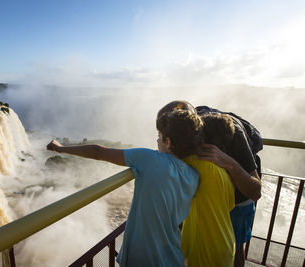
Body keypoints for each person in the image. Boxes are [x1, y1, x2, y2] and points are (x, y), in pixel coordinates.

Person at [47, 109, 204, 266]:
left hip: (142, 260)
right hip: (173, 258)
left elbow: (98, 152)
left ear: (168, 142)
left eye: (159, 138)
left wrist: (61, 148)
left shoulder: (150, 159)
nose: (157, 142)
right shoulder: (194, 176)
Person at [158, 101, 262, 267]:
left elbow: (255, 191)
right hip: (212, 191)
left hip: (240, 196)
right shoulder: (184, 134)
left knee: (235, 246)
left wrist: (230, 163)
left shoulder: (232, 134)